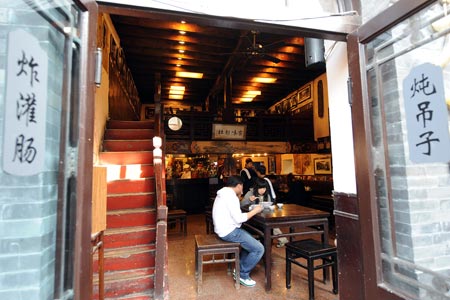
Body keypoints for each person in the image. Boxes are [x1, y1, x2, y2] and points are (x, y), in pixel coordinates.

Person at [212, 175, 264, 287]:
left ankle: (239, 269)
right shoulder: (231, 197)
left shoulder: (223, 193)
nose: (242, 188)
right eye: (242, 186)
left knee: (249, 241)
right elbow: (239, 218)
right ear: (239, 185)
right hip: (229, 231)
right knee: (259, 248)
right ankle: (243, 274)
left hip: (222, 229)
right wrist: (255, 211)